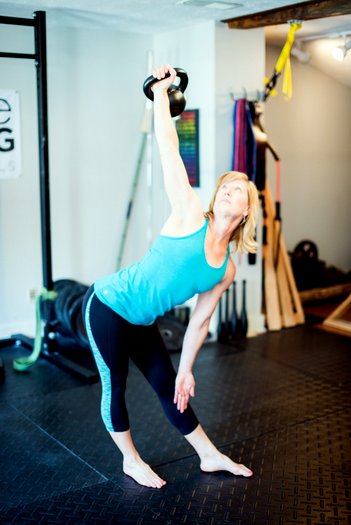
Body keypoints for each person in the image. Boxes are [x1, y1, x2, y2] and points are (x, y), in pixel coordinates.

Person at [82, 64, 259, 489]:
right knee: (115, 385)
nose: (228, 191)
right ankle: (130, 460)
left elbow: (199, 321)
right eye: (226, 186)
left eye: (238, 190)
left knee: (170, 384)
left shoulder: (225, 268)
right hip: (107, 305)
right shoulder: (188, 214)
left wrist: (189, 368)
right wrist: (161, 94)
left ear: (247, 211)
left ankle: (209, 455)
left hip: (143, 320)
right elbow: (168, 150)